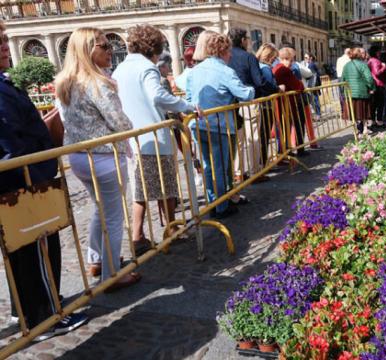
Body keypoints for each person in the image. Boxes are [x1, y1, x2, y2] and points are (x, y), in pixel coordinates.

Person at [0, 22, 88, 341]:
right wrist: (40, 172)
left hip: (20, 180)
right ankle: (44, 316)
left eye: (5, 39)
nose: (5, 45)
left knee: (22, 253)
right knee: (36, 249)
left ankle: (27, 310)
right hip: (23, 183)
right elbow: (12, 145)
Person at [56, 27, 140, 290]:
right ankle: (112, 274)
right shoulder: (97, 82)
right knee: (113, 216)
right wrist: (132, 128)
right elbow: (119, 122)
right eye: (104, 46)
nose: (110, 49)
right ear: (87, 50)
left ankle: (97, 260)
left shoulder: (66, 81)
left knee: (100, 209)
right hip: (103, 157)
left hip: (80, 158)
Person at [112, 25, 196, 256]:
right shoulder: (147, 68)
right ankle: (167, 230)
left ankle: (140, 235)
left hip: (133, 137)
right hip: (153, 135)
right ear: (155, 47)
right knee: (166, 185)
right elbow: (157, 95)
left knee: (141, 189)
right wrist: (186, 105)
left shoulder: (119, 69)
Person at [186, 30, 255, 218]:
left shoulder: (195, 70)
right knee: (220, 166)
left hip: (199, 125)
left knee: (209, 167)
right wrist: (251, 88)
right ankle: (221, 206)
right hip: (219, 126)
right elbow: (245, 94)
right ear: (222, 50)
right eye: (228, 51)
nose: (231, 55)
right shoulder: (224, 70)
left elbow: (189, 98)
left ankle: (213, 202)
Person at [228, 28, 278, 183]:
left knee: (240, 140)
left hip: (231, 103)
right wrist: (276, 89)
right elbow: (260, 81)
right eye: (247, 38)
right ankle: (255, 171)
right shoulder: (248, 57)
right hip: (250, 101)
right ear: (243, 40)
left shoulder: (227, 57)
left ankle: (238, 172)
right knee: (253, 137)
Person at [273, 47, 308, 156]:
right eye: (291, 60)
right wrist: (300, 83)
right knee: (294, 125)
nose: (292, 63)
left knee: (284, 127)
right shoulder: (284, 70)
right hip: (288, 104)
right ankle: (293, 149)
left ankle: (285, 150)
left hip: (281, 103)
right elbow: (299, 85)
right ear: (285, 58)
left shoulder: (276, 68)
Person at [256, 43, 283, 166]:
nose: (274, 59)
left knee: (261, 135)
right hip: (266, 105)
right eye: (273, 57)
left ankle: (260, 161)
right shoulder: (265, 68)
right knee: (264, 134)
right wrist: (278, 88)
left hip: (260, 104)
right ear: (268, 56)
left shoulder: (257, 66)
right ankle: (262, 162)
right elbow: (269, 86)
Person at [341, 47, 375, 135]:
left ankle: (356, 129)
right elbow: (369, 78)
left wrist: (342, 92)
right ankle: (364, 129)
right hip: (361, 92)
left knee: (353, 112)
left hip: (349, 93)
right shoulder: (363, 64)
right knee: (363, 111)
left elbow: (342, 80)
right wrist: (371, 88)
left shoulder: (346, 65)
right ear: (359, 54)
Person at [367, 45, 386, 131]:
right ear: (376, 52)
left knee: (373, 105)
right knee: (380, 105)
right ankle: (379, 122)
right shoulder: (375, 61)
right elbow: (377, 73)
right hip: (378, 85)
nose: (380, 53)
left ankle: (373, 122)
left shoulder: (370, 60)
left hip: (374, 85)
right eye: (379, 51)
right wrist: (384, 67)